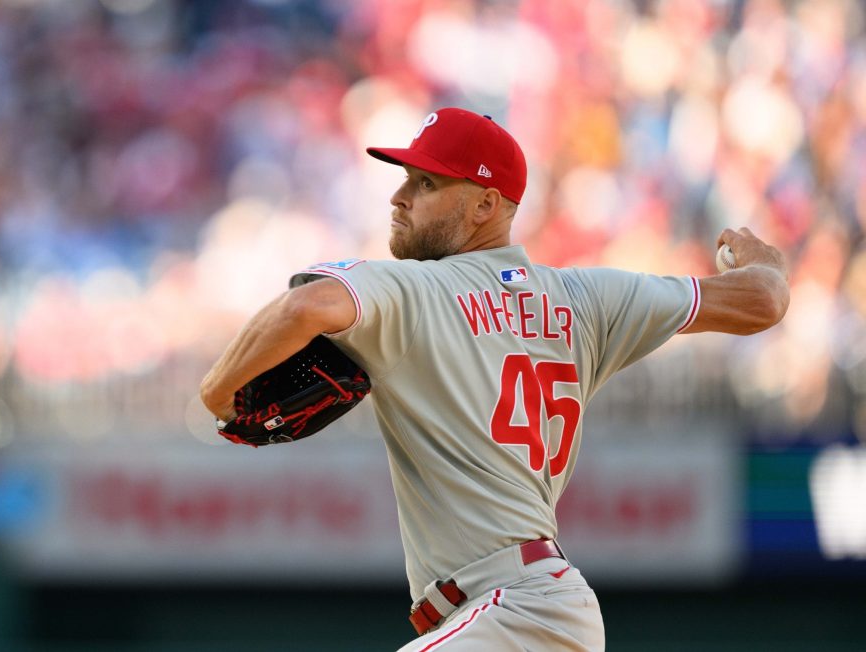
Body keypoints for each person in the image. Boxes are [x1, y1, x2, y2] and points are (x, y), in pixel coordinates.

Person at [200, 107, 789, 651]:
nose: (399, 197)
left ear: (485, 205)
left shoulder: (415, 291)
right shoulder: (587, 298)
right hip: (528, 610)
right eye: (405, 178)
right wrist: (766, 263)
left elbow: (307, 307)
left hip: (515, 610)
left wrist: (218, 394)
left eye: (426, 184)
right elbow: (761, 301)